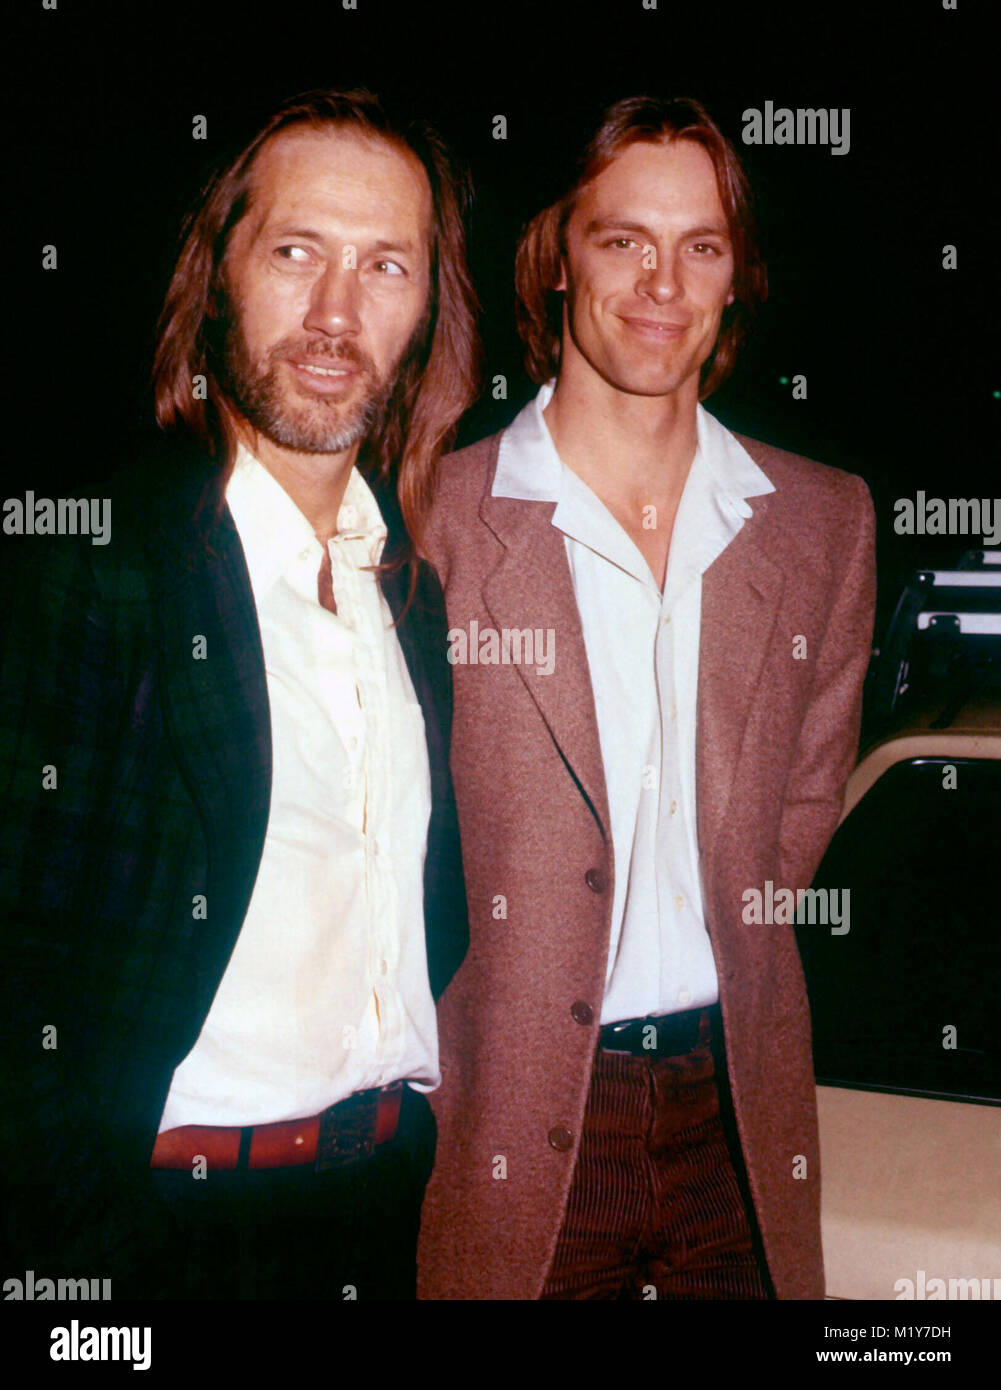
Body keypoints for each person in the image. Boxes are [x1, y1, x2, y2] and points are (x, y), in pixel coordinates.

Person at [0, 87, 477, 1301]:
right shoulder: (100, 564)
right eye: (295, 251)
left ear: (426, 310)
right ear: (218, 275)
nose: (334, 312)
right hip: (157, 1234)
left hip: (373, 1206)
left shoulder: (408, 595)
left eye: (385, 266)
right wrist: (80, 1258)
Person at [418, 95, 876, 1300]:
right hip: (511, 1120)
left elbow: (807, 798)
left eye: (701, 246)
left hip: (737, 1111)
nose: (660, 281)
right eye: (622, 239)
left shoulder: (825, 522)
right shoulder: (430, 526)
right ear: (557, 259)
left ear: (736, 279)